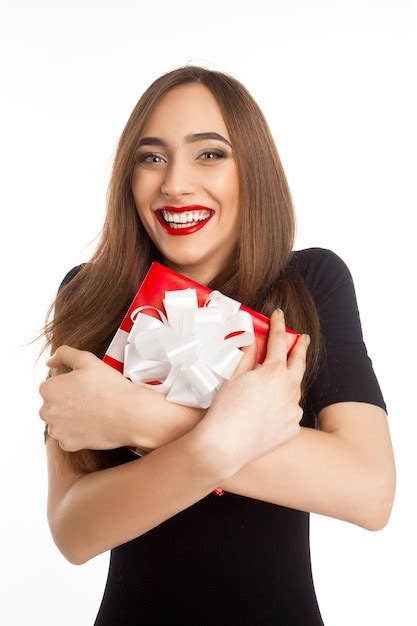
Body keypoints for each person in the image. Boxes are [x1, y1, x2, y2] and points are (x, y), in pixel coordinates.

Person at [37, 65, 396, 625]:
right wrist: (222, 440)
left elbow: (369, 492)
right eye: (150, 157)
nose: (175, 183)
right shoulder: (87, 293)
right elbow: (73, 531)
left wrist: (142, 418)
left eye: (209, 154)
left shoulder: (311, 283)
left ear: (252, 169)